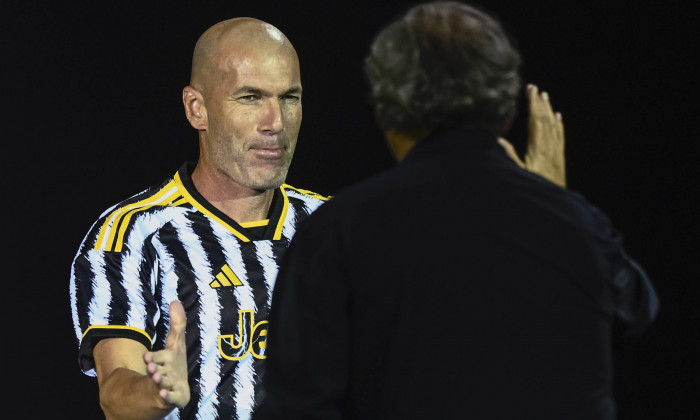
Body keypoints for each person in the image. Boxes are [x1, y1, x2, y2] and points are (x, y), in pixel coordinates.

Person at [252, 2, 659, 419]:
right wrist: (554, 198)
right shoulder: (577, 225)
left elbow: (297, 408)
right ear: (508, 108)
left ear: (385, 111)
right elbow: (637, 308)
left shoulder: (336, 233)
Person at [69, 17, 330, 420]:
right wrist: (156, 392)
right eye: (250, 97)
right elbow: (117, 396)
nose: (275, 123)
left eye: (289, 98)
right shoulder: (133, 235)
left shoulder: (333, 225)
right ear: (197, 109)